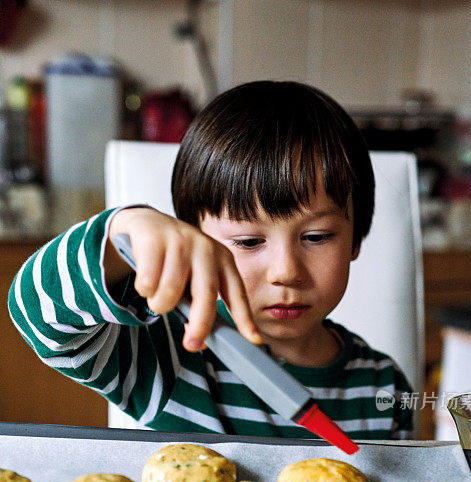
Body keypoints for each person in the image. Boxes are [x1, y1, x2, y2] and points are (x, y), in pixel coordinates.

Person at [8, 80, 413, 439]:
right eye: (250, 241)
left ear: (356, 239)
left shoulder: (385, 386)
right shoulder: (168, 357)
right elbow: (36, 313)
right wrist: (123, 229)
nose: (286, 271)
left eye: (317, 237)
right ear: (196, 245)